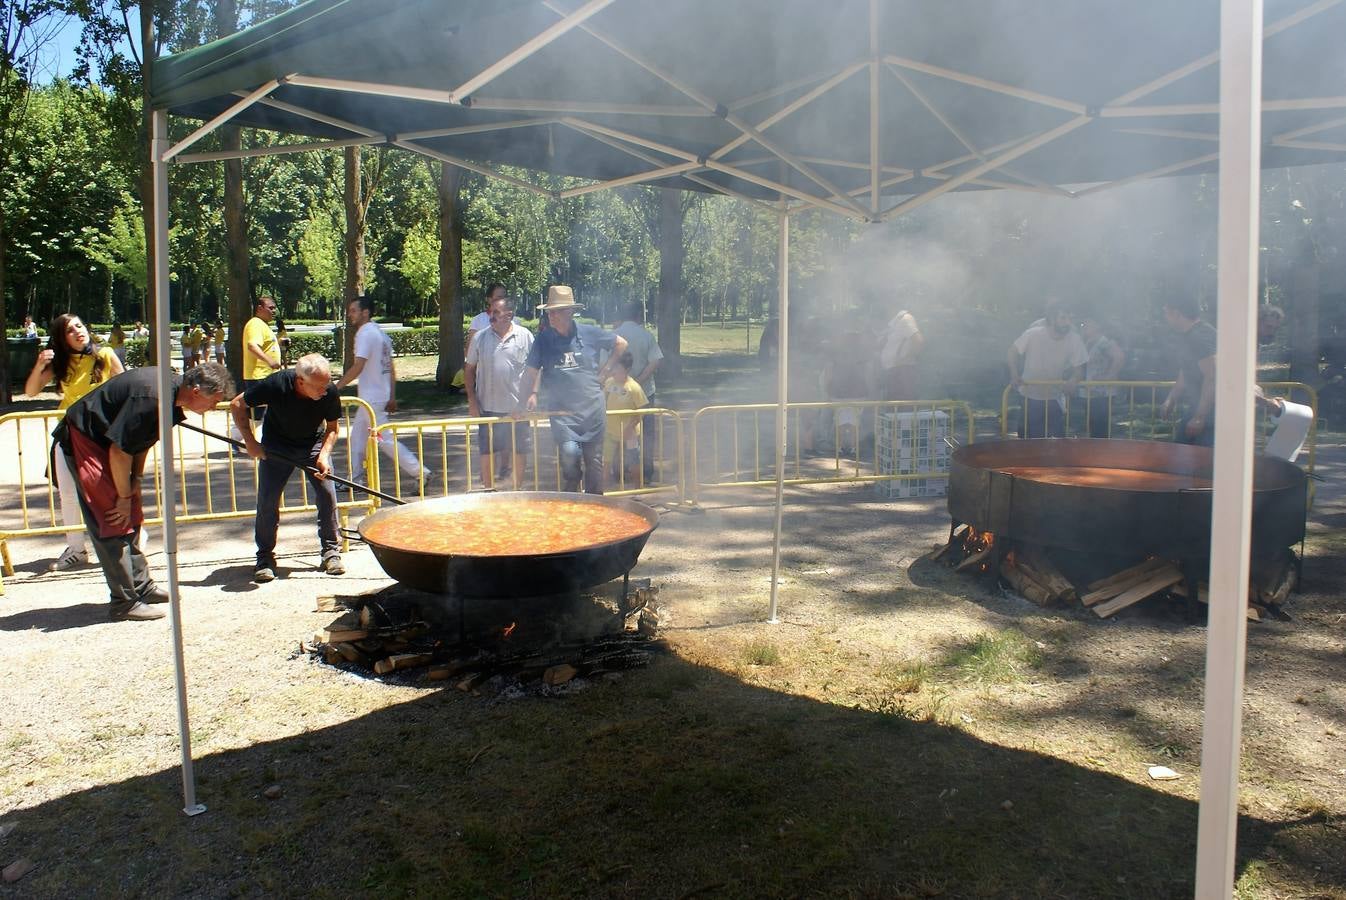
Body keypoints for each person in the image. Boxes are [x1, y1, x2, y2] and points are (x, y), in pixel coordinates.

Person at [52, 363, 233, 620]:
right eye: (214, 401)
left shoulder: (170, 397)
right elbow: (120, 449)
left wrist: (134, 480)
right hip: (90, 441)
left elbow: (142, 441)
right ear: (195, 391)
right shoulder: (153, 397)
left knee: (132, 516)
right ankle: (124, 602)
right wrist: (123, 497)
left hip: (113, 447)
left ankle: (142, 586)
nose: (214, 407)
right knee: (112, 519)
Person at [24, 313, 127, 571]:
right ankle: (76, 548)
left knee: (110, 490)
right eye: (70, 330)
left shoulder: (104, 355)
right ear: (61, 337)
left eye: (80, 326)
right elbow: (31, 391)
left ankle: (127, 539)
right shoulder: (60, 362)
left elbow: (125, 387)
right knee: (68, 493)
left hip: (100, 435)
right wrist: (39, 366)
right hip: (68, 433)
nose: (78, 332)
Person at [231, 353, 344, 583]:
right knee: (267, 501)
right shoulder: (276, 384)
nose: (325, 391)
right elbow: (237, 403)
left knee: (327, 495)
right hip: (276, 447)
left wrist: (323, 455)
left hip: (313, 445)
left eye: (326, 385)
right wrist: (251, 442)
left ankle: (331, 551)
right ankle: (264, 558)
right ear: (300, 382)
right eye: (319, 387)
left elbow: (332, 427)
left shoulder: (329, 390)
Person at [524, 286, 626, 494]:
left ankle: (596, 504)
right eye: (549, 311)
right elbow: (533, 369)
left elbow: (621, 343)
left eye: (556, 311)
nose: (550, 316)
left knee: (594, 461)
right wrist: (533, 393)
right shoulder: (543, 340)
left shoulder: (589, 332)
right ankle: (572, 494)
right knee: (570, 454)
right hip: (562, 413)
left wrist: (606, 371)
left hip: (592, 410)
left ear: (570, 312)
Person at [336, 296, 428, 492]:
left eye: (353, 310)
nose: (350, 314)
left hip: (371, 398)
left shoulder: (365, 333)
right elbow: (390, 368)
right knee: (358, 438)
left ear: (365, 312)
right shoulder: (380, 334)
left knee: (383, 439)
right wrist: (392, 395)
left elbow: (358, 365)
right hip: (377, 396)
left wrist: (336, 387)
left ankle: (420, 472)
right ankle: (355, 480)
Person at [465, 294, 534, 490]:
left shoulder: (525, 336)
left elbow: (534, 370)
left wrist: (530, 396)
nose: (490, 315)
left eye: (496, 312)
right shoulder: (480, 337)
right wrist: (472, 400)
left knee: (519, 449)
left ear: (509, 315)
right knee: (487, 450)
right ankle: (489, 489)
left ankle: (516, 489)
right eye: (490, 311)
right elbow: (469, 369)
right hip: (488, 407)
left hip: (516, 408)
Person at [1007, 301, 1087, 438]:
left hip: (1054, 398)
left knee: (1056, 443)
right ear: (1051, 319)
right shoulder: (1033, 334)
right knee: (1028, 442)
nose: (1067, 322)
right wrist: (1014, 374)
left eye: (1070, 318)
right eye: (1063, 318)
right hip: (1029, 395)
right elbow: (1012, 352)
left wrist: (1073, 380)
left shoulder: (1074, 339)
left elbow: (1080, 369)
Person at [610, 302, 664, 484]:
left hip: (617, 393)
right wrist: (638, 382)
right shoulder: (646, 335)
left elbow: (605, 364)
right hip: (644, 393)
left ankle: (618, 471)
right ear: (638, 316)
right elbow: (655, 361)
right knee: (645, 434)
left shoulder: (613, 337)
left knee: (615, 432)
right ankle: (645, 473)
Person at [1158, 296, 1217, 446]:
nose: (1165, 317)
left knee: (1200, 462)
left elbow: (1212, 376)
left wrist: (1199, 417)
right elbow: (1186, 371)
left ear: (1177, 313)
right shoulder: (1190, 335)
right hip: (1198, 407)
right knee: (1180, 453)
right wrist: (1171, 399)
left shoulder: (1199, 337)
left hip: (1213, 411)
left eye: (1166, 313)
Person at [236, 296, 283, 442]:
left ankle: (244, 439)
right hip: (258, 376)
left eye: (275, 308)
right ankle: (238, 438)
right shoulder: (255, 324)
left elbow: (265, 346)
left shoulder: (262, 325)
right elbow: (252, 346)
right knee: (257, 413)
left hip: (266, 375)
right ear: (259, 308)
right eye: (270, 308)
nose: (273, 311)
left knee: (261, 412)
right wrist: (270, 361)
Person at [603, 351, 648, 488]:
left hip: (630, 432)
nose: (615, 372)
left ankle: (637, 488)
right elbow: (604, 399)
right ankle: (603, 487)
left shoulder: (633, 387)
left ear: (627, 370)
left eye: (618, 369)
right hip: (610, 429)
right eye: (614, 369)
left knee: (633, 459)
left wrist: (630, 427)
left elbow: (642, 409)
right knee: (606, 459)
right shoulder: (610, 382)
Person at [1077, 315, 1127, 439]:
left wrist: (1109, 376)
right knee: (1092, 428)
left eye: (1088, 323)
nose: (1084, 325)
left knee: (1099, 430)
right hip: (1089, 392)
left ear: (1098, 325)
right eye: (1084, 323)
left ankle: (1099, 455)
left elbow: (1119, 357)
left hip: (1101, 393)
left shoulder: (1103, 342)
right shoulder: (1088, 342)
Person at [877, 308, 925, 401]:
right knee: (894, 409)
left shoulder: (905, 319)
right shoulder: (893, 324)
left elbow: (918, 341)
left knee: (903, 408)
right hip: (894, 372)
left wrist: (904, 359)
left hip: (903, 372)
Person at [466, 283, 507, 353]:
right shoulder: (478, 320)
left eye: (504, 297)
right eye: (499, 298)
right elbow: (470, 349)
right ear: (489, 299)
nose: (503, 301)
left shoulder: (514, 321)